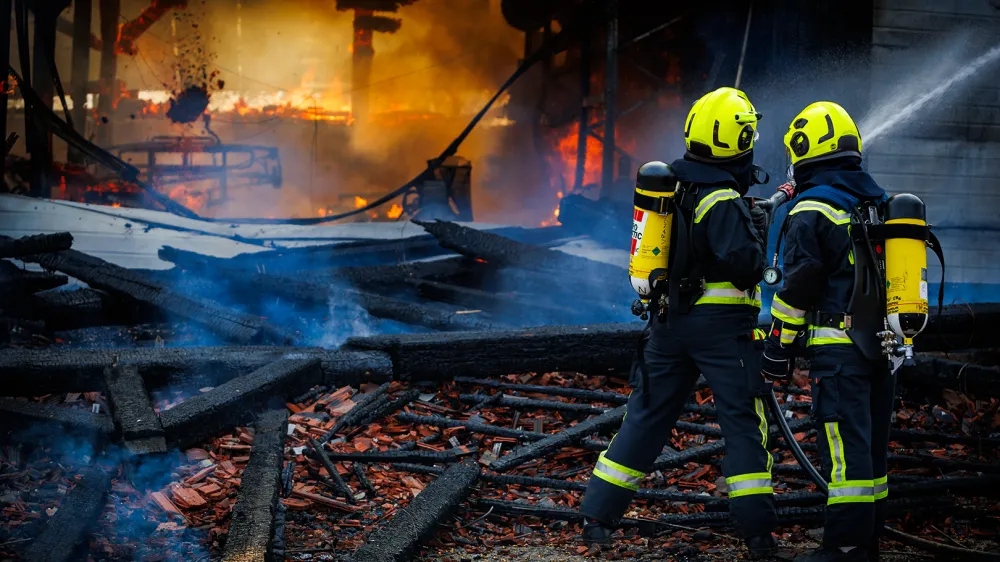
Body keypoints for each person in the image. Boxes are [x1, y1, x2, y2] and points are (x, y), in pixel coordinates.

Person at [579, 86, 779, 559]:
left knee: (645, 417)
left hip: (668, 325)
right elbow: (746, 267)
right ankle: (758, 534)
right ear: (740, 139)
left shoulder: (671, 185)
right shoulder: (722, 198)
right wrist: (757, 231)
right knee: (743, 423)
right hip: (722, 331)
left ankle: (597, 518)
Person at [760, 101, 892, 562]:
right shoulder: (876, 200)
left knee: (844, 449)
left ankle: (845, 547)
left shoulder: (812, 207)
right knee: (870, 448)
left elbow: (799, 284)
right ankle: (868, 541)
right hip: (881, 348)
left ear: (805, 149)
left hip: (838, 355)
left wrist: (778, 344)